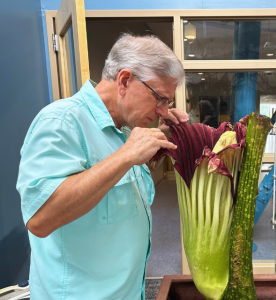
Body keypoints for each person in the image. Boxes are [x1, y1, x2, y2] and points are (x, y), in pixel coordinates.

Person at [16, 33, 188, 300]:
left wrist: (156, 146)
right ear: (124, 80)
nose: (164, 111)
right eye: (160, 98)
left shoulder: (124, 131)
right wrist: (125, 156)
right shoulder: (61, 122)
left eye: (168, 102)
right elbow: (40, 218)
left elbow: (114, 194)